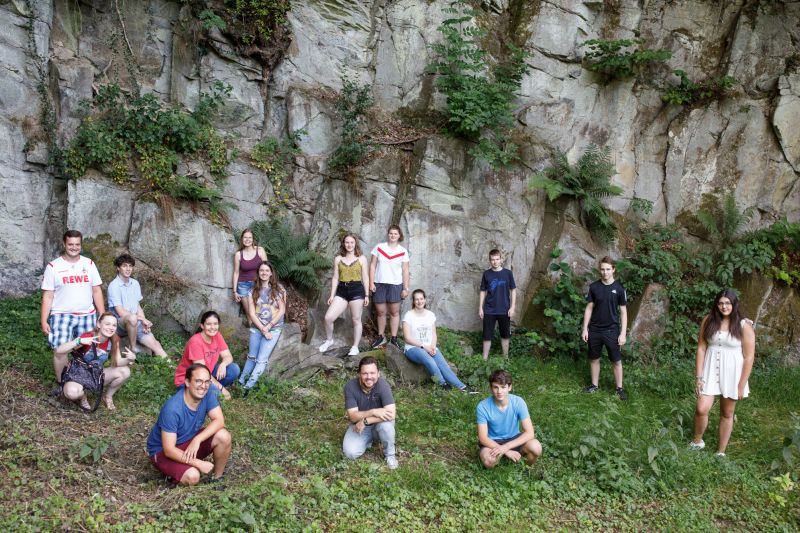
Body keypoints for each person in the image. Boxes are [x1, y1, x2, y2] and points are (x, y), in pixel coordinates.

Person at [690, 289, 755, 457]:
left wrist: (741, 385)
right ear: (716, 304)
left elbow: (749, 357)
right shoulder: (708, 321)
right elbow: (701, 348)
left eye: (727, 303)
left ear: (734, 304)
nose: (724, 306)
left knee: (726, 413)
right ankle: (697, 442)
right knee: (701, 408)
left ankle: (721, 451)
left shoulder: (744, 326)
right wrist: (699, 377)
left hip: (732, 374)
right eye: (720, 303)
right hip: (710, 370)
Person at [147, 363, 232, 485]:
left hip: (189, 441)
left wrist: (197, 440)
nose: (203, 386)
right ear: (187, 382)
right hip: (163, 452)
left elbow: (219, 421)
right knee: (193, 476)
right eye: (198, 381)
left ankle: (217, 480)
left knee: (224, 436)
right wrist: (199, 463)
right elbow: (169, 450)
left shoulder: (207, 394)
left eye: (207, 382)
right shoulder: (172, 409)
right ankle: (174, 475)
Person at [41, 230, 105, 388]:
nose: (74, 247)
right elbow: (48, 296)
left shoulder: (89, 264)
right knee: (60, 351)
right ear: (64, 244)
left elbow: (96, 290)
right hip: (62, 315)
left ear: (81, 245)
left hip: (87, 314)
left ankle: (83, 380)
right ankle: (62, 383)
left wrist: (102, 315)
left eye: (77, 244)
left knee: (88, 349)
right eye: (70, 244)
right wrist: (44, 320)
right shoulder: (53, 267)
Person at [53, 312, 134, 410]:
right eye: (107, 324)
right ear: (99, 324)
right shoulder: (88, 336)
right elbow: (59, 352)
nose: (111, 327)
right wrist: (78, 341)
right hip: (77, 375)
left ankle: (107, 396)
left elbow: (118, 363)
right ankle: (82, 397)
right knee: (71, 393)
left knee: (125, 371)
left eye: (114, 325)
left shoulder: (114, 339)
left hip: (95, 374)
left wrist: (129, 359)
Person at [402, 289, 476, 393]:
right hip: (413, 348)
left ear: (425, 300)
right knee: (429, 360)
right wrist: (424, 346)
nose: (419, 301)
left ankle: (462, 387)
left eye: (421, 299)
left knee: (443, 365)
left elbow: (433, 334)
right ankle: (443, 385)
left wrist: (432, 346)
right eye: (416, 299)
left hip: (429, 347)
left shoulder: (430, 315)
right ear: (413, 301)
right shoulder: (408, 316)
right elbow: (407, 338)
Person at [581, 256, 628, 400]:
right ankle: (594, 385)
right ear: (599, 270)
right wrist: (585, 328)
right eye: (602, 269)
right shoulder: (594, 287)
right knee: (594, 358)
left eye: (608, 269)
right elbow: (589, 308)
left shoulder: (619, 289)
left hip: (612, 330)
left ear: (613, 270)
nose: (605, 272)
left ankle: (619, 389)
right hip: (594, 329)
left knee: (616, 361)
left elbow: (624, 312)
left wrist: (623, 334)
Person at [477, 370, 542, 468]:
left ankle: (524, 468)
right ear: (491, 388)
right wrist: (505, 450)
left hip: (514, 439)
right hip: (493, 441)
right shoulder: (482, 406)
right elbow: (483, 438)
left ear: (509, 387)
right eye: (496, 387)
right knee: (488, 461)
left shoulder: (518, 402)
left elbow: (529, 433)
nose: (499, 391)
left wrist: (506, 447)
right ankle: (503, 458)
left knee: (536, 447)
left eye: (503, 387)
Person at [107, 253, 167, 357]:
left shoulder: (134, 283)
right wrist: (141, 319)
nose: (128, 269)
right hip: (119, 323)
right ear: (118, 268)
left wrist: (144, 321)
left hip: (135, 321)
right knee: (133, 318)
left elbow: (137, 306)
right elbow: (120, 312)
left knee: (156, 345)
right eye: (124, 266)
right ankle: (132, 348)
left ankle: (172, 368)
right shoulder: (114, 286)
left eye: (130, 266)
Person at [342, 356, 398, 469]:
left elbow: (391, 414)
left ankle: (390, 455)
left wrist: (366, 420)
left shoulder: (383, 386)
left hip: (380, 423)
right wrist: (373, 411)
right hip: (359, 425)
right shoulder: (350, 387)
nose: (369, 377)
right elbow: (352, 417)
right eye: (365, 373)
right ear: (359, 374)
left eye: (372, 373)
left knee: (386, 426)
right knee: (350, 453)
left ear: (378, 373)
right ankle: (368, 440)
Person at [239, 262, 286, 393]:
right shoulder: (252, 290)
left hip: (273, 328)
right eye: (261, 271)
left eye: (267, 270)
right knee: (251, 357)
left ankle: (248, 387)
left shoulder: (279, 290)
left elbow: (282, 310)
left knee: (261, 360)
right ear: (258, 273)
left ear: (271, 273)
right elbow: (251, 313)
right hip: (257, 328)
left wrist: (269, 326)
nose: (264, 273)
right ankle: (241, 382)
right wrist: (262, 328)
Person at [320, 233, 370, 356]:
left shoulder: (362, 258)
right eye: (347, 242)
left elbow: (366, 278)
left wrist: (367, 295)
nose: (349, 245)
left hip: (357, 290)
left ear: (355, 243)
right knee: (328, 317)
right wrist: (332, 295)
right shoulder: (338, 259)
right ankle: (329, 340)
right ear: (344, 244)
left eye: (352, 242)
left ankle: (355, 346)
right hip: (342, 290)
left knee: (356, 319)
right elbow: (335, 278)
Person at [174, 311, 241, 400]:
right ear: (202, 326)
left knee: (234, 369)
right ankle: (209, 391)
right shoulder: (196, 342)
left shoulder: (217, 335)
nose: (213, 327)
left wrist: (223, 364)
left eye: (215, 324)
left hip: (208, 373)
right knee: (215, 394)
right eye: (209, 324)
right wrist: (222, 389)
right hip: (190, 379)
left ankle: (212, 390)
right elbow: (202, 372)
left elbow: (228, 357)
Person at [369, 225, 410, 350]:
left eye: (395, 234)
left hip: (396, 285)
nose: (393, 235)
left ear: (399, 236)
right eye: (391, 233)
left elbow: (405, 270)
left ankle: (393, 338)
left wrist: (405, 288)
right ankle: (381, 337)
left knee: (394, 312)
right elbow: (372, 266)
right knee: (381, 312)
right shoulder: (379, 247)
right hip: (379, 284)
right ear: (388, 234)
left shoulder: (403, 251)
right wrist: (371, 283)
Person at [479, 249, 517, 360]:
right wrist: (480, 308)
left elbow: (513, 290)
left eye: (497, 259)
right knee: (487, 336)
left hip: (504, 310)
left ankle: (506, 359)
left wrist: (512, 307)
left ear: (501, 259)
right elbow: (482, 291)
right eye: (492, 260)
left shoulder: (508, 273)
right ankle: (484, 360)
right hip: (489, 309)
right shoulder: (486, 274)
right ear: (489, 261)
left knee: (505, 335)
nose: (495, 262)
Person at [232, 229, 268, 313]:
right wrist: (234, 291)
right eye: (245, 237)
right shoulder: (238, 254)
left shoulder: (260, 250)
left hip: (257, 284)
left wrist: (267, 284)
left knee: (259, 311)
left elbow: (267, 268)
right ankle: (250, 326)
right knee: (249, 313)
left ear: (253, 239)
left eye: (249, 237)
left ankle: (261, 326)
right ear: (242, 239)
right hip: (243, 285)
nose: (247, 240)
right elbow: (236, 273)